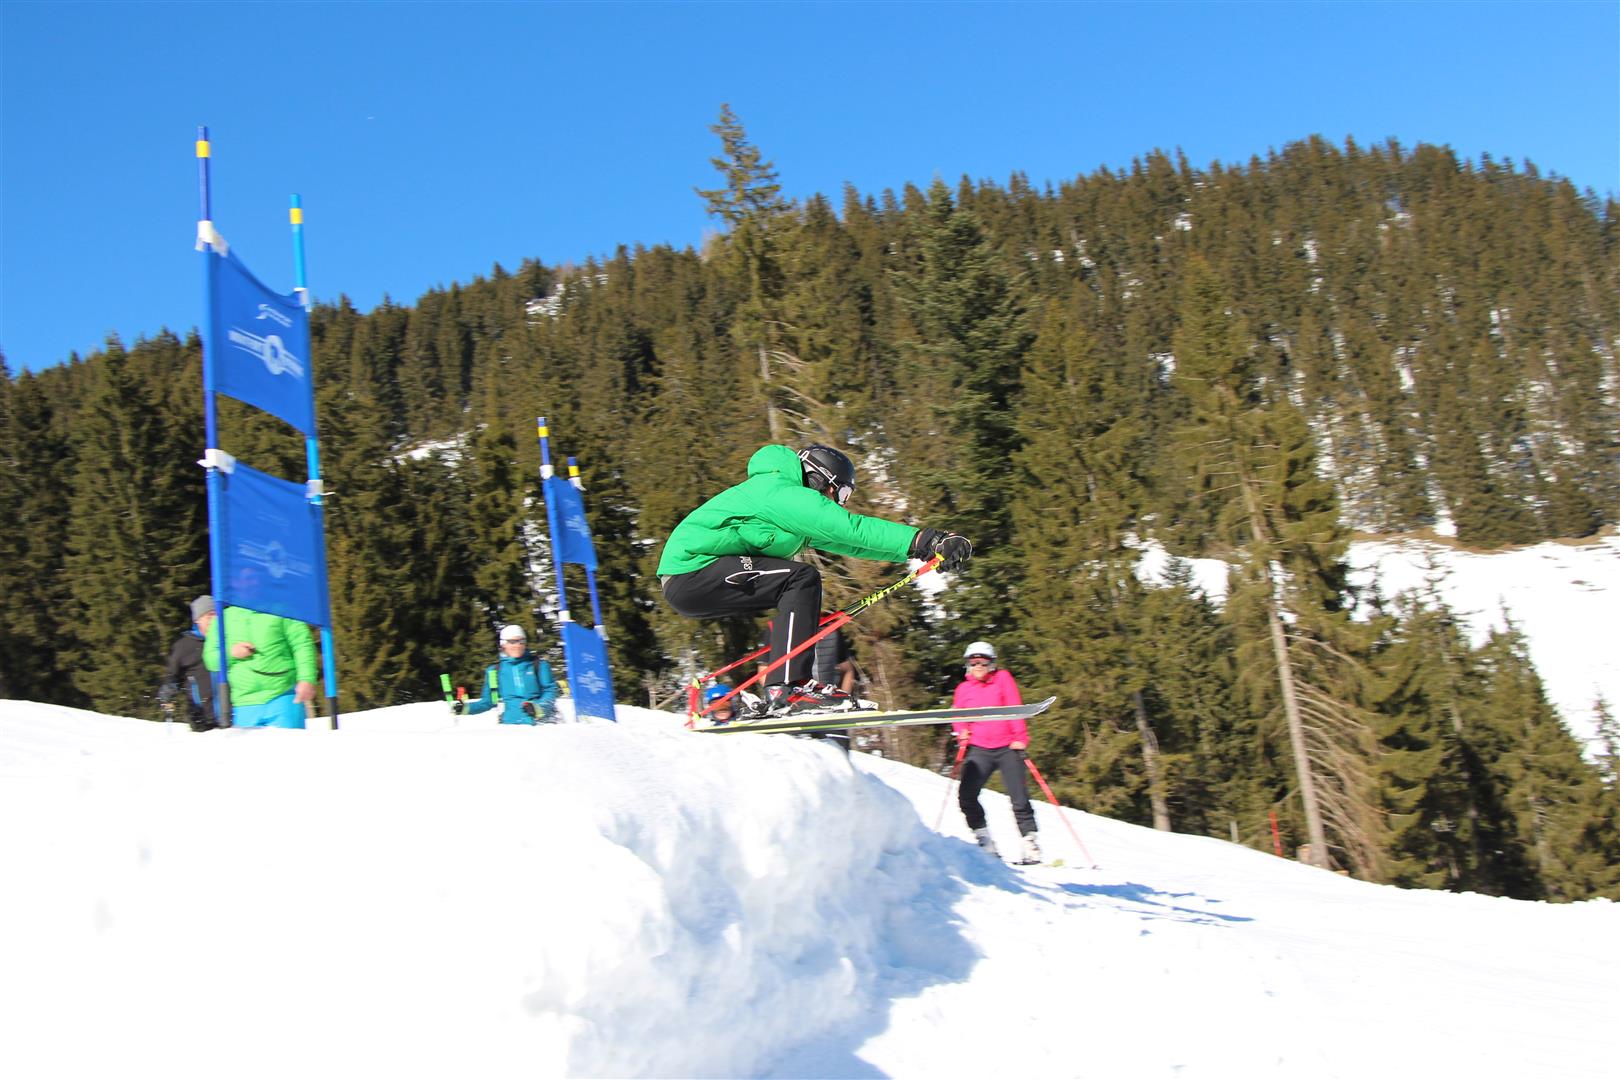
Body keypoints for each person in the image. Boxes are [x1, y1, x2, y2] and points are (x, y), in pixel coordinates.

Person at [658, 443, 971, 716]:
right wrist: (926, 538)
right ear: (822, 479)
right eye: (841, 493)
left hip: (690, 581)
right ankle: (787, 687)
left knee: (797, 585)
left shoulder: (786, 502)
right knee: (800, 579)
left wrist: (917, 550)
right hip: (694, 569)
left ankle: (785, 686)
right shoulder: (783, 492)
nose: (840, 503)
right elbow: (851, 527)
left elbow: (848, 542)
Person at [952, 640, 1040, 864]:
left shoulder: (1002, 679)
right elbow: (957, 715)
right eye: (974, 662)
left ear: (991, 664)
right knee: (966, 796)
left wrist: (1020, 738)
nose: (978, 666)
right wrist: (962, 731)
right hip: (980, 748)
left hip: (1007, 746)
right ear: (968, 665)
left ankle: (1030, 843)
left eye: (983, 662)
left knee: (1019, 798)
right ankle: (984, 839)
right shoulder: (964, 689)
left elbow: (1014, 706)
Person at [202, 582, 319, 729]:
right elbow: (210, 660)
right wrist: (231, 653)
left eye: (253, 580)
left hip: (283, 698)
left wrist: (306, 679)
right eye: (242, 581)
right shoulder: (224, 619)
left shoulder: (282, 611)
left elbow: (302, 644)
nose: (247, 585)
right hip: (245, 705)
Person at [459, 623, 561, 725]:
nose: (517, 645)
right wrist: (465, 708)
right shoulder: (494, 671)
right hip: (511, 726)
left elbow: (551, 691)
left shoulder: (538, 664)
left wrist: (538, 707)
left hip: (541, 725)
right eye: (512, 642)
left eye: (521, 641)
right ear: (503, 644)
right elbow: (488, 702)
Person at [157, 594, 219, 731]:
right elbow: (172, 674)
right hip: (202, 719)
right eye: (209, 615)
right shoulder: (185, 645)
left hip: (231, 715)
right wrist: (169, 689)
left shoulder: (226, 640)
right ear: (198, 619)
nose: (214, 620)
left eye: (216, 615)